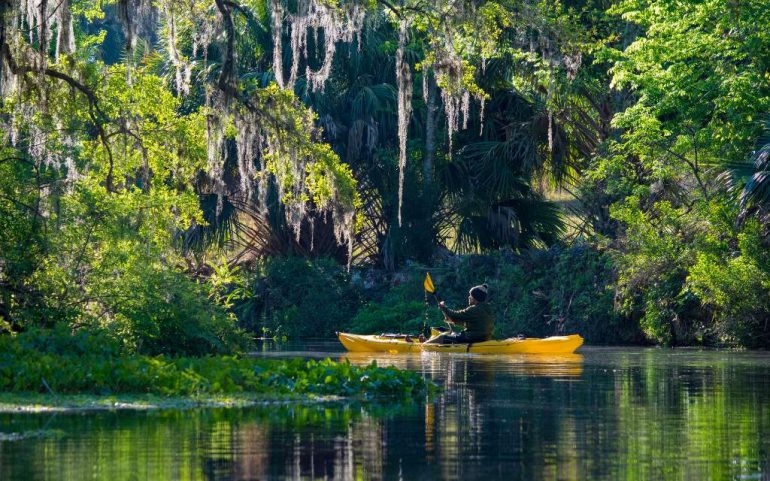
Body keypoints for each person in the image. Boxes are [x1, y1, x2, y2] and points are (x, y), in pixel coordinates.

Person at [425, 284, 495, 344]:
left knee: (442, 337)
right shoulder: (488, 308)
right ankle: (427, 341)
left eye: (470, 295)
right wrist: (452, 321)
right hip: (484, 338)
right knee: (450, 333)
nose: (469, 297)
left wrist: (443, 307)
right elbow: (474, 324)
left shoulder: (474, 309)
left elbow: (454, 315)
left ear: (475, 298)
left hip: (472, 339)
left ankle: (423, 346)